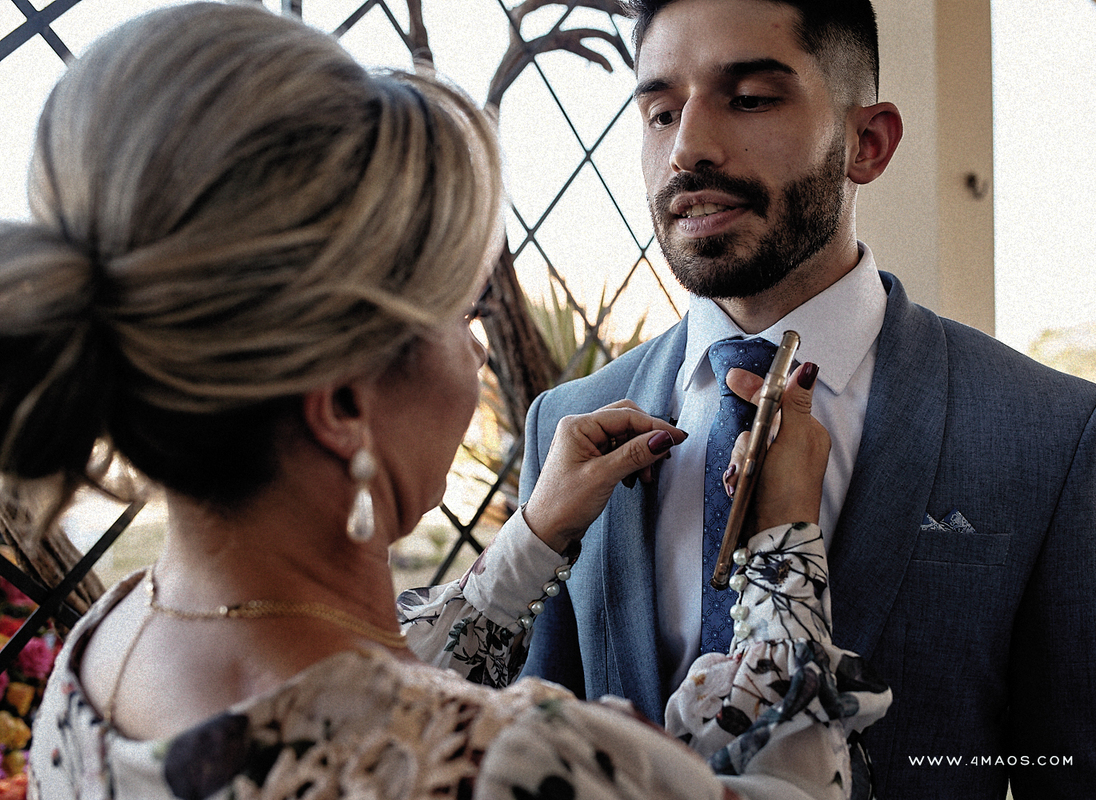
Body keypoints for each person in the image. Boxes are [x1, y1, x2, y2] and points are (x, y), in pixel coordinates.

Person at [1, 3, 890, 798]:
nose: (476, 348)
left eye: (751, 98)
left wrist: (530, 542)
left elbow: (350, 686)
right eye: (459, 314)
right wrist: (782, 549)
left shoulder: (98, 658)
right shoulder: (514, 764)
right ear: (343, 402)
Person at [518, 0, 1096, 797]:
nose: (687, 147)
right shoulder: (565, 423)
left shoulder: (1053, 435)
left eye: (749, 99)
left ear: (868, 143)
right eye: (660, 113)